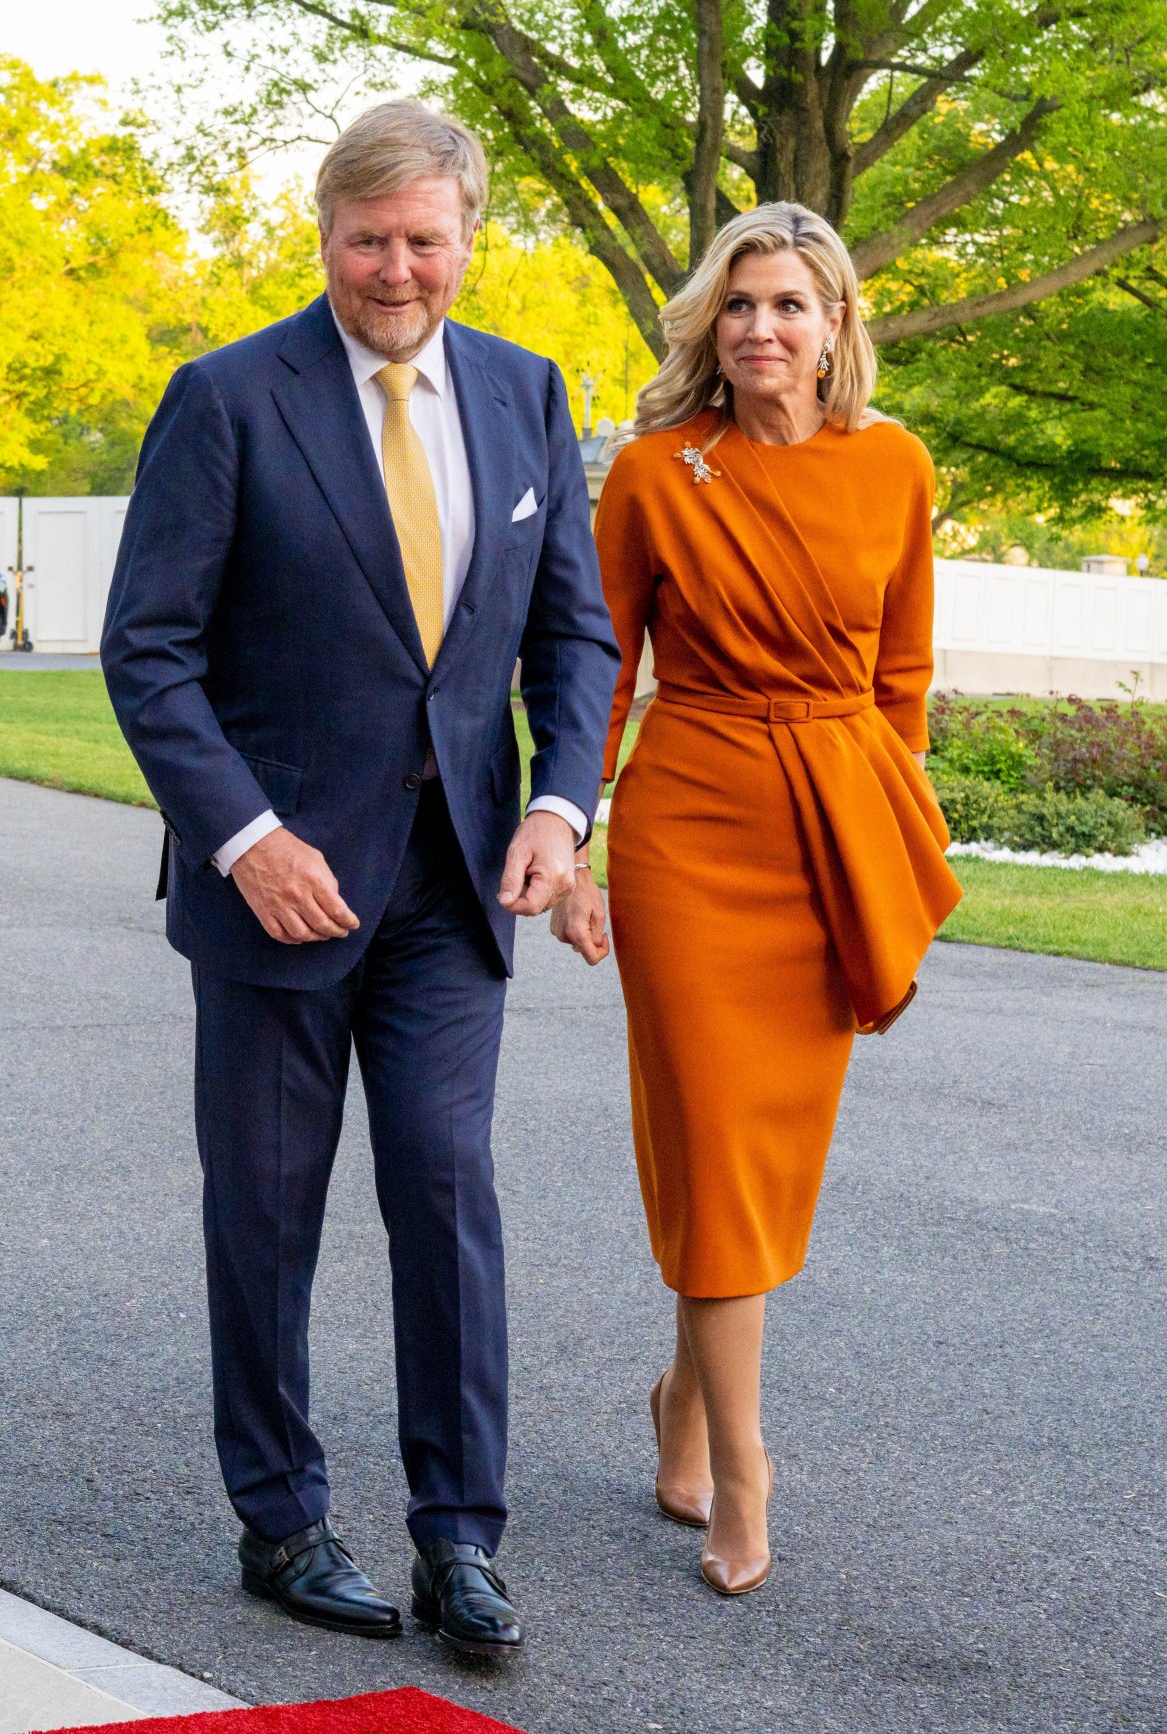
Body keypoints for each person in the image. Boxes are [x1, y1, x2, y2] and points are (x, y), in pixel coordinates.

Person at [101, 101, 618, 1656]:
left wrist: (564, 805)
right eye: (367, 237)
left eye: (425, 239)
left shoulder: (530, 399)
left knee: (446, 1191)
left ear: (470, 237)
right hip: (279, 890)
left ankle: (462, 1534)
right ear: (325, 233)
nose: (397, 269)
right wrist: (245, 838)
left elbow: (574, 637)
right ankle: (279, 1516)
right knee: (266, 1211)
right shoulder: (225, 397)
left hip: (458, 888)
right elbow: (152, 649)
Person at [552, 202, 961, 1596]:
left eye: (790, 304)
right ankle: (744, 1466)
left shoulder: (896, 463)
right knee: (715, 1137)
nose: (764, 329)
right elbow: (597, 671)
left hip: (834, 822)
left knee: (765, 1154)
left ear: (838, 320)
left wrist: (885, 840)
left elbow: (903, 680)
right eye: (739, 307)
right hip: (693, 824)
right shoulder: (657, 472)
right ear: (706, 329)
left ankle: (680, 1398)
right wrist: (572, 838)